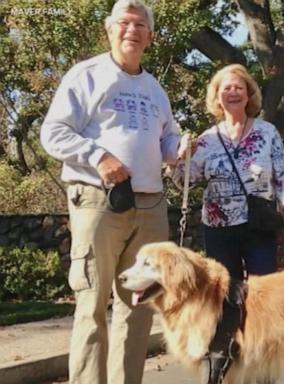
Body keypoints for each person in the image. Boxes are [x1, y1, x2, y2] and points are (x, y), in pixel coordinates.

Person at [40, 1, 182, 383]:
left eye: (140, 25)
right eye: (124, 22)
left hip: (151, 205)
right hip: (98, 200)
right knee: (91, 304)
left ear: (150, 37)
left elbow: (168, 138)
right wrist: (98, 155)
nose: (131, 30)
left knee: (138, 308)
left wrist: (178, 150)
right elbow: (52, 133)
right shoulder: (86, 75)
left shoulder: (155, 89)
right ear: (109, 29)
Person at [173, 63, 284, 383]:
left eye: (239, 87)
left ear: (249, 94)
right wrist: (181, 157)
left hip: (258, 225)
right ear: (217, 97)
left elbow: (283, 176)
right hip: (219, 228)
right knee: (224, 300)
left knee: (264, 296)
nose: (232, 92)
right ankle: (226, 367)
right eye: (226, 88)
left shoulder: (267, 132)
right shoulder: (205, 140)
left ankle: (265, 369)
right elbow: (185, 182)